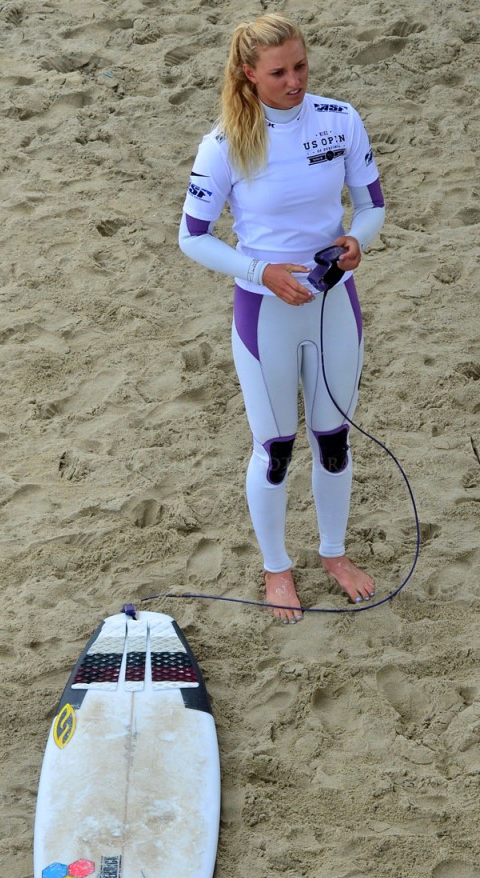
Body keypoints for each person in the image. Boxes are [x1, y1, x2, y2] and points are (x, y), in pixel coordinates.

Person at [179, 13, 385, 623]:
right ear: (249, 74)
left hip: (333, 304)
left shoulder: (339, 119)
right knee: (274, 448)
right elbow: (192, 237)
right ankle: (276, 568)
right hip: (266, 313)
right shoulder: (223, 144)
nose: (294, 80)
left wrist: (356, 242)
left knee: (334, 439)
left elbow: (371, 205)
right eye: (278, 72)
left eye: (300, 66)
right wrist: (257, 271)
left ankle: (334, 555)